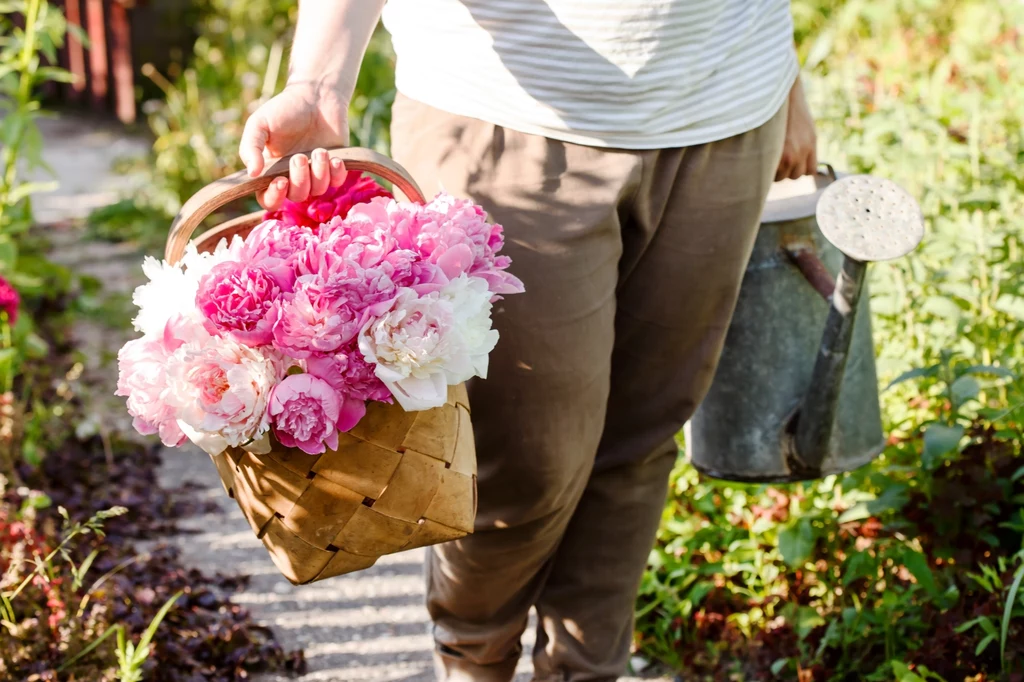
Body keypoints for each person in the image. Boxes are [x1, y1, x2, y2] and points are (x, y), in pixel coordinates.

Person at [238, 1, 817, 680]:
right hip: (504, 116)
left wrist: (786, 77)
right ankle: (474, 658)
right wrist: (318, 80)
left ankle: (587, 667)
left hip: (729, 109)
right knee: (523, 464)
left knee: (641, 435)